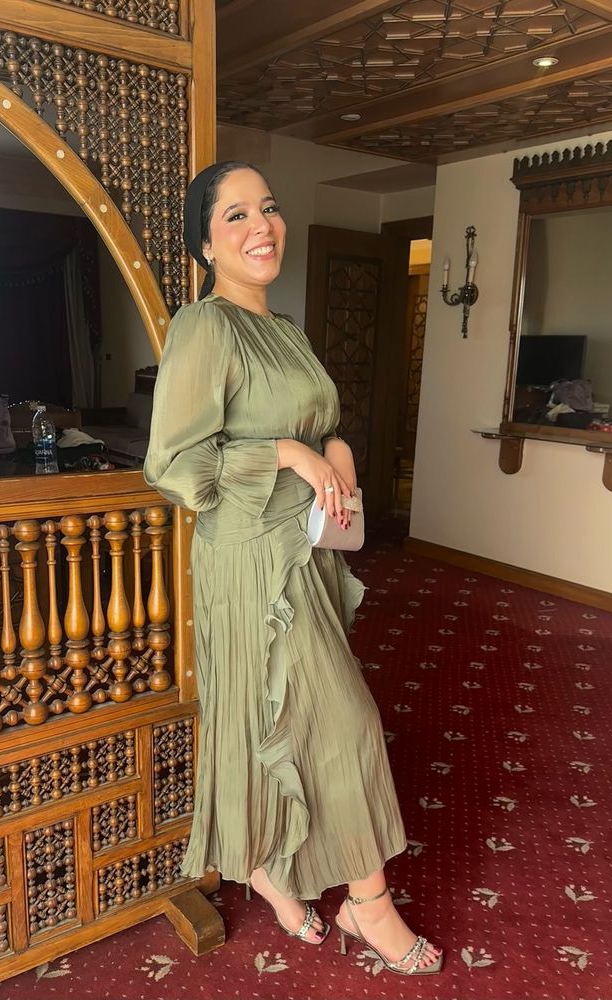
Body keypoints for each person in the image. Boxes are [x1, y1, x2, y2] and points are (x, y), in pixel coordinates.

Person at [143, 161, 443, 976]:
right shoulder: (204, 328)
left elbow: (328, 420)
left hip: (302, 547)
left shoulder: (285, 331)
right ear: (205, 243)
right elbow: (174, 463)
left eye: (267, 208)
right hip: (246, 557)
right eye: (235, 215)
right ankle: (368, 904)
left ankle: (270, 869)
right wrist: (281, 451)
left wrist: (334, 453)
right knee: (341, 721)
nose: (260, 226)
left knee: (280, 721)